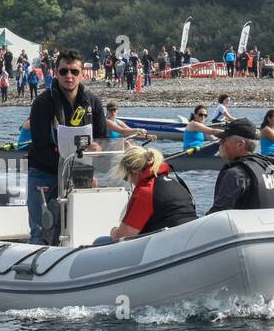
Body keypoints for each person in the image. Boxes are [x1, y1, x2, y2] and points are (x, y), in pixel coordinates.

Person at [26, 49, 108, 244]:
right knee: (41, 231)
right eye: (63, 71)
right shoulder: (42, 103)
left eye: (74, 71)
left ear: (81, 74)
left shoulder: (93, 102)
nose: (69, 76)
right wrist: (66, 165)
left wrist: (98, 149)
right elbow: (40, 145)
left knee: (79, 227)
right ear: (56, 72)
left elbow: (103, 137)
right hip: (44, 173)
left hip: (81, 172)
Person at [106, 146, 198, 242]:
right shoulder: (175, 183)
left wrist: (113, 231)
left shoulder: (146, 191)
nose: (129, 181)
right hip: (189, 238)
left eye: (126, 177)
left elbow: (122, 236)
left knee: (101, 240)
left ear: (134, 172)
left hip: (168, 244)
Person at [207, 119, 274, 214]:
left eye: (224, 140)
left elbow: (216, 216)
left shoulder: (236, 174)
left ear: (240, 144)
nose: (220, 143)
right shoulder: (273, 170)